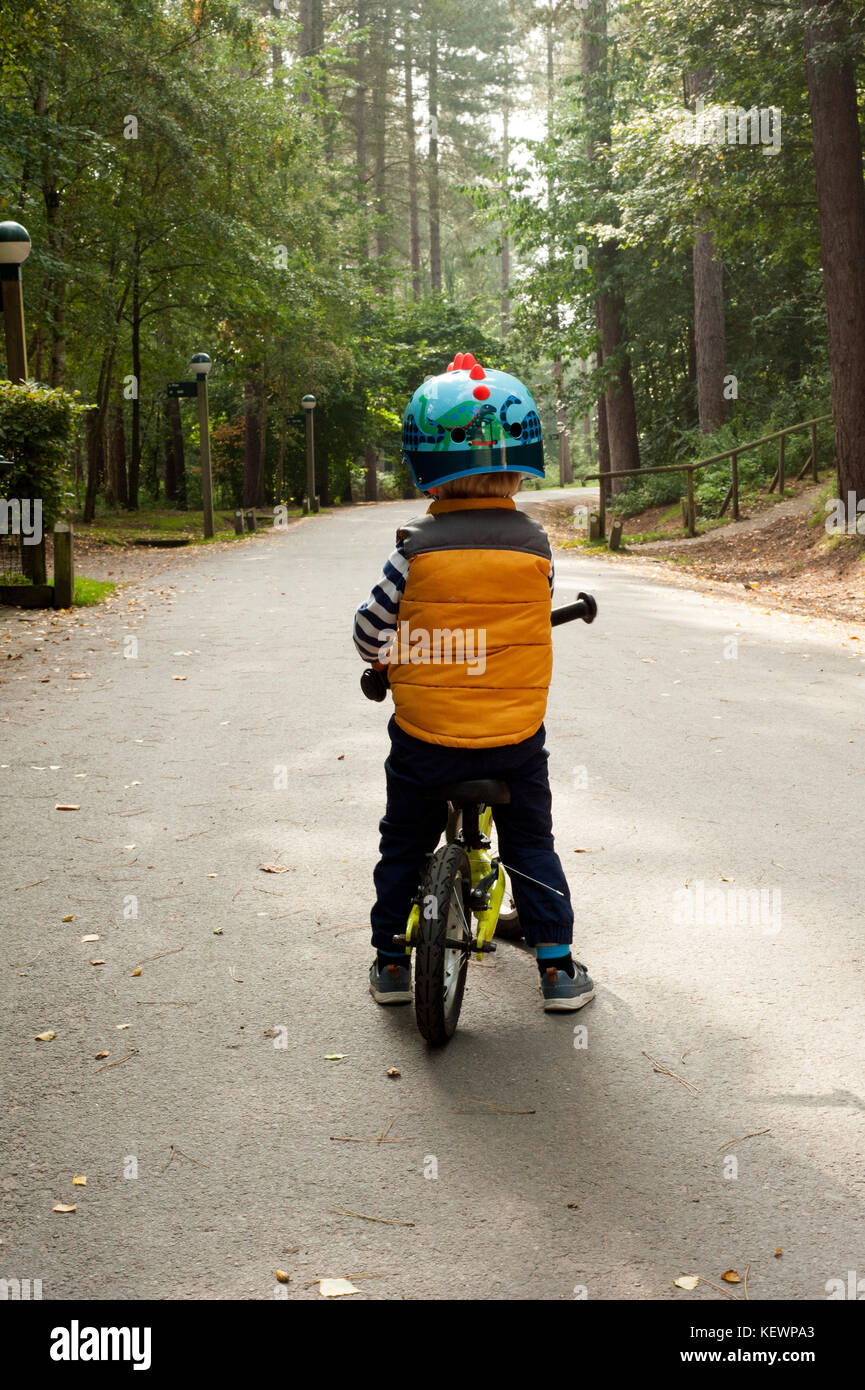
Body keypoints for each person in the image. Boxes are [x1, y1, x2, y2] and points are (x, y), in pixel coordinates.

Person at [352, 351, 595, 1013]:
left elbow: (372, 632)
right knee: (531, 841)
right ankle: (556, 968)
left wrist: (381, 652)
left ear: (423, 465)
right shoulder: (536, 549)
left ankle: (390, 964)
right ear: (520, 467)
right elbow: (528, 620)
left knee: (403, 840)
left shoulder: (412, 550)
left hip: (426, 738)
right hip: (512, 737)